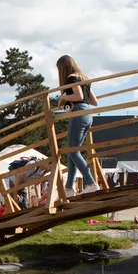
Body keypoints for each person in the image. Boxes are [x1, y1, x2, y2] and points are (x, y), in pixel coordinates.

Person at [56, 55, 99, 198]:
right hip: (88, 114)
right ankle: (69, 187)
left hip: (79, 113)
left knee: (73, 151)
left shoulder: (71, 78)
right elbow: (94, 102)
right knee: (72, 151)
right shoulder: (84, 78)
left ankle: (91, 183)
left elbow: (78, 96)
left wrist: (63, 97)